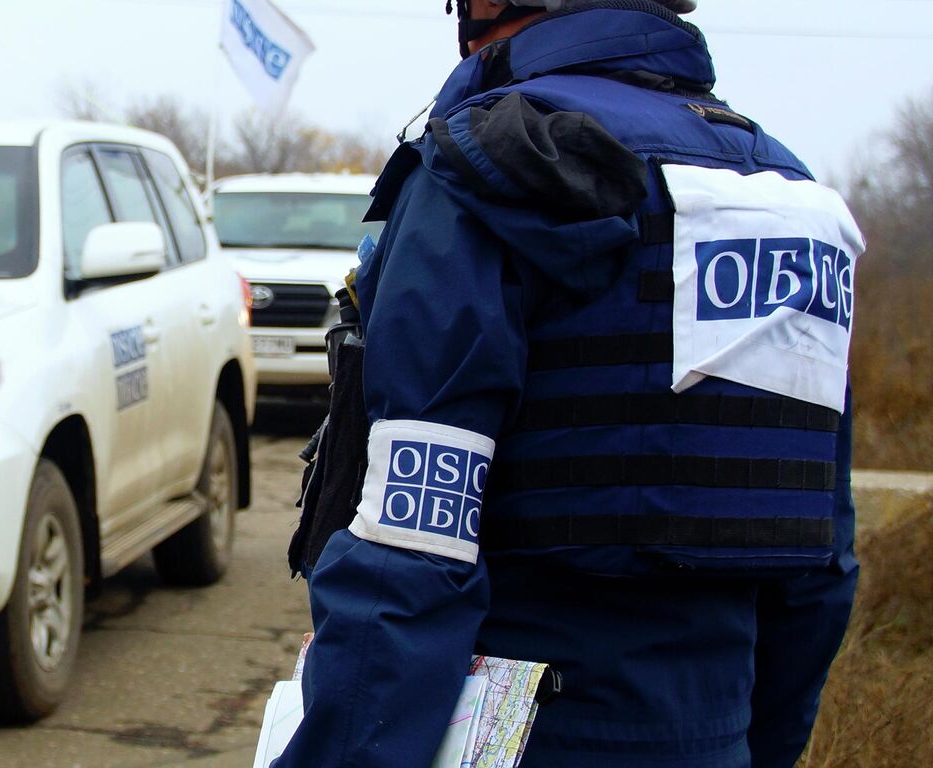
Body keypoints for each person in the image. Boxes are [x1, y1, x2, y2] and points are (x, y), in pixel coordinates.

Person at [276, 1, 864, 766]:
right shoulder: (789, 195)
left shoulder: (494, 166)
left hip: (516, 733)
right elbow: (822, 566)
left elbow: (412, 552)